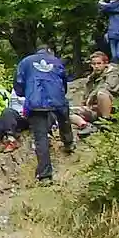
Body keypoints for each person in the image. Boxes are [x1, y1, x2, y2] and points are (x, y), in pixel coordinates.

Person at [15, 43, 73, 183]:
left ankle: (45, 175)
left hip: (35, 102)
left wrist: (25, 94)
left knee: (41, 138)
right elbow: (63, 82)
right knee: (64, 118)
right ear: (50, 51)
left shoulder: (26, 61)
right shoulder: (56, 61)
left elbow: (18, 83)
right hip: (57, 98)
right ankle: (69, 143)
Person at [71, 51, 119, 131]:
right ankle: (85, 125)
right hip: (94, 109)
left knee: (101, 94)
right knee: (67, 111)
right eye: (94, 64)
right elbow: (85, 98)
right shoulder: (91, 79)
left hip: (113, 108)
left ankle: (106, 121)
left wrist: (92, 96)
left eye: (99, 63)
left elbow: (108, 87)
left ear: (105, 63)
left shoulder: (113, 74)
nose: (96, 66)